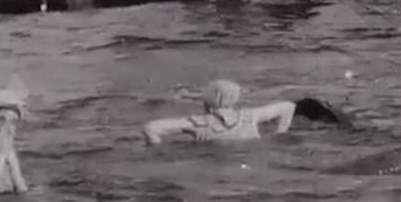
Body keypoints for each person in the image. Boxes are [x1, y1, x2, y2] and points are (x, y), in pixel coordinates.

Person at [143, 79, 347, 146]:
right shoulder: (250, 116)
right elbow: (288, 107)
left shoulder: (197, 123)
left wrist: (158, 150)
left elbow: (151, 127)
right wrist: (279, 135)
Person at [0, 87, 27, 199]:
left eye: (12, 121)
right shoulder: (1, 149)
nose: (6, 126)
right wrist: (2, 155)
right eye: (0, 119)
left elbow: (22, 190)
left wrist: (9, 156)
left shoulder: (2, 143)